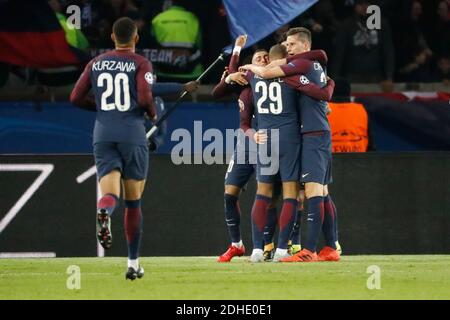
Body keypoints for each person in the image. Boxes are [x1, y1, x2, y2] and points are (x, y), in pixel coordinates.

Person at [241, 27, 341, 262]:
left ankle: (308, 250)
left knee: (313, 189)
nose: (288, 48)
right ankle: (331, 246)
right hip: (310, 133)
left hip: (313, 134)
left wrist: (248, 69)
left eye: (292, 44)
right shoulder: (312, 64)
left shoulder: (303, 64)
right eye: (286, 44)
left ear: (305, 46)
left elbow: (266, 73)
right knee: (322, 190)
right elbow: (324, 86)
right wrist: (327, 88)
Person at [70, 17, 155, 280]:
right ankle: (132, 263)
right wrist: (151, 114)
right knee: (133, 202)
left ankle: (104, 212)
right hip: (131, 132)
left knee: (110, 194)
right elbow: (144, 97)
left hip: (103, 132)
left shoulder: (96, 62)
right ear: (136, 38)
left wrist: (102, 109)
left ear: (112, 37)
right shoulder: (140, 62)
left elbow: (74, 97)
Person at [212, 36, 282, 263]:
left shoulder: (276, 80)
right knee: (229, 194)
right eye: (257, 58)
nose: (261, 60)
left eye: (265, 58)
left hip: (268, 143)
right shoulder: (246, 80)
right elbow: (217, 92)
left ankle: (267, 244)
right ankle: (236, 244)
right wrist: (235, 57)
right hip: (245, 145)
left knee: (267, 197)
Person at [151, 0, 203, 81]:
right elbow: (200, 44)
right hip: (191, 73)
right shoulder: (192, 18)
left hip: (163, 72)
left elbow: (150, 45)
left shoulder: (157, 19)